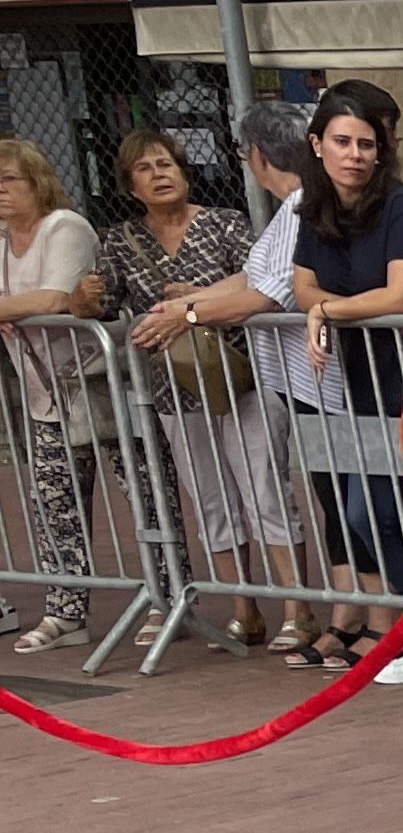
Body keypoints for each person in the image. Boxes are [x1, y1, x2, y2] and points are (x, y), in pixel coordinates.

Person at [97, 129, 289, 648]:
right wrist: (78, 299)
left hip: (242, 378)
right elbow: (101, 305)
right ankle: (244, 609)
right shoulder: (119, 241)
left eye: (167, 164)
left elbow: (261, 281)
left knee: (264, 491)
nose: (160, 174)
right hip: (173, 391)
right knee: (211, 501)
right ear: (130, 185)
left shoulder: (225, 224)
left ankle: (297, 610)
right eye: (146, 168)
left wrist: (196, 300)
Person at [287, 80, 403, 684]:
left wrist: (326, 311)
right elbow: (301, 286)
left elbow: (402, 294)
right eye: (343, 142)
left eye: (366, 143)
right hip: (367, 377)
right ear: (317, 144)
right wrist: (319, 305)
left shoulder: (402, 206)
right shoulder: (315, 206)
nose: (355, 154)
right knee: (365, 514)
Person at [0, 137, 109, 655]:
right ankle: (66, 613)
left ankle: (166, 599)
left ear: (37, 181)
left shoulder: (65, 227)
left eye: (8, 179)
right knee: (55, 503)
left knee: (145, 495)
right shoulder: (0, 238)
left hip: (98, 383)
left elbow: (54, 297)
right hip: (44, 393)